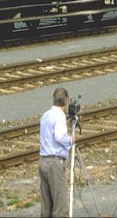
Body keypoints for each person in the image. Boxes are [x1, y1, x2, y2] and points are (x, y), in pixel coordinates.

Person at [39, 87, 75, 217]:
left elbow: (49, 133)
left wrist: (66, 123)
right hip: (55, 163)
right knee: (60, 205)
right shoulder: (59, 116)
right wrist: (71, 140)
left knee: (47, 205)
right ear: (66, 101)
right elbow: (59, 137)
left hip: (43, 161)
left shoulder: (46, 115)